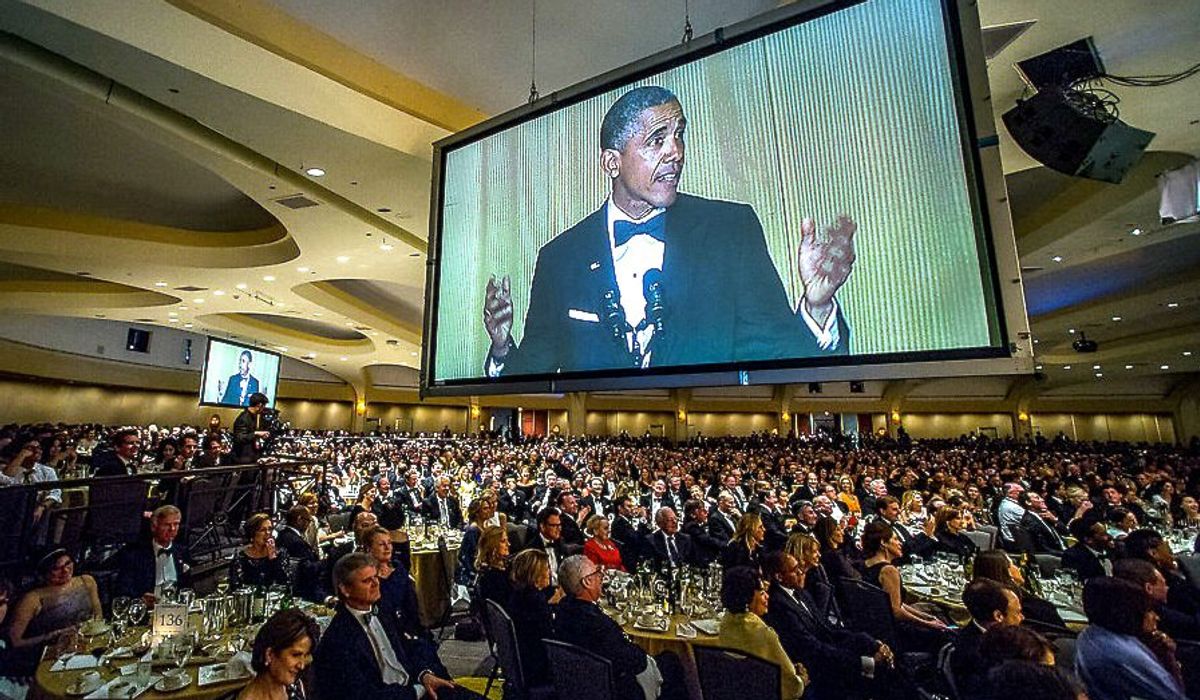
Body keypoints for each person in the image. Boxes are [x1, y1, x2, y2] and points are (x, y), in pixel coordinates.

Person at [480, 85, 855, 376]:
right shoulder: (560, 257)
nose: (675, 152)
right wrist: (500, 346)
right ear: (612, 162)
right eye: (657, 140)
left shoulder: (730, 229)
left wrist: (817, 305)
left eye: (679, 135)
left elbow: (781, 357)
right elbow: (534, 370)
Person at [314, 553, 481, 700]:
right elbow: (364, 694)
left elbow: (407, 648)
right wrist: (418, 690)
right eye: (366, 581)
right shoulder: (338, 639)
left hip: (416, 682)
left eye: (375, 577)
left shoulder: (383, 611)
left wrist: (424, 675)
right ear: (345, 590)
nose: (375, 584)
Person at [552, 555, 686, 700]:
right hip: (613, 688)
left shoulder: (562, 610)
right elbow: (634, 661)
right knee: (671, 660)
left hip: (579, 686)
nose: (601, 576)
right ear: (587, 582)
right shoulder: (597, 624)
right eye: (597, 573)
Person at [760, 551, 890, 700]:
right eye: (795, 570)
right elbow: (811, 648)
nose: (801, 572)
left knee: (876, 651)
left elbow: (827, 628)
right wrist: (864, 662)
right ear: (779, 576)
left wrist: (873, 644)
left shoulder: (801, 593)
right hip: (816, 666)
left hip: (827, 649)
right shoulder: (778, 605)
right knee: (882, 674)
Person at [1075, 576, 1186, 700]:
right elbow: (1175, 697)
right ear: (1129, 613)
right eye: (1148, 610)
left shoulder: (1089, 634)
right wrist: (1169, 658)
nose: (1156, 617)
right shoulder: (1127, 656)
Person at [717, 566, 807, 700]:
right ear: (748, 597)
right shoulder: (763, 634)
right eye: (762, 592)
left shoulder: (725, 623)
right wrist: (802, 679)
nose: (767, 596)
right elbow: (792, 687)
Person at [859, 520, 949, 652]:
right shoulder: (888, 570)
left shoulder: (866, 564)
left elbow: (894, 602)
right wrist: (928, 624)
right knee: (943, 635)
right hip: (894, 632)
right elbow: (896, 611)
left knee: (933, 613)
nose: (900, 543)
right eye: (895, 539)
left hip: (876, 626)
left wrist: (924, 616)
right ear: (883, 543)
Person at [7, 549, 102, 649]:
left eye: (67, 563)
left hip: (89, 643)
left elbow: (98, 616)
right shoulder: (32, 599)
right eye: (56, 568)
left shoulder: (86, 581)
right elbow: (14, 641)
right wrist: (52, 636)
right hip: (54, 651)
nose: (65, 570)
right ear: (44, 573)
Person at [950, 579, 1025, 697]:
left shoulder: (972, 633)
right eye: (1017, 612)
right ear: (998, 616)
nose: (1022, 617)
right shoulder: (979, 656)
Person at [504, 550, 560, 689]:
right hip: (537, 666)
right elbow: (548, 636)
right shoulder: (535, 601)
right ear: (535, 574)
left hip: (521, 659)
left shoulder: (519, 595)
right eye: (546, 568)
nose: (549, 572)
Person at [237, 608, 321, 700]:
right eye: (295, 655)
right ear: (269, 654)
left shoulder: (295, 686)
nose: (301, 665)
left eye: (305, 656)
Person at [113, 505, 190, 602]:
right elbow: (122, 591)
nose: (172, 529)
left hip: (176, 610)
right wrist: (141, 600)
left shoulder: (182, 552)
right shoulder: (135, 555)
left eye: (176, 524)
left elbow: (188, 588)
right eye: (167, 525)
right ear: (154, 527)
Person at [973, 550, 1066, 629]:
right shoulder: (1039, 608)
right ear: (1008, 572)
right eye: (1013, 564)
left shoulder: (978, 606)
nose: (1017, 568)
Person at [361, 527, 424, 638]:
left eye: (389, 543)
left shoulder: (398, 568)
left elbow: (411, 605)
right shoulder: (366, 577)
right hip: (380, 631)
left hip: (406, 627)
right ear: (368, 548)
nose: (387, 548)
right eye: (381, 544)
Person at [229, 513, 291, 589]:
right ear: (253, 534)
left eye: (270, 529)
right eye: (263, 530)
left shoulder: (280, 554)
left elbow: (285, 583)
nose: (268, 533)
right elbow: (235, 586)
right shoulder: (240, 558)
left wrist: (273, 557)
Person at [276, 505, 323, 602]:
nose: (308, 525)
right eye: (308, 521)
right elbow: (306, 567)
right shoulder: (296, 541)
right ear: (299, 519)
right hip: (301, 590)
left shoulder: (282, 535)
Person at [472, 526, 511, 608]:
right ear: (492, 545)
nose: (508, 544)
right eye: (503, 541)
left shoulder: (503, 568)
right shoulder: (491, 577)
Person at [232, 393, 271, 464]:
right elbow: (239, 437)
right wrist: (256, 433)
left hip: (252, 456)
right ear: (259, 405)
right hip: (242, 458)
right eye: (263, 406)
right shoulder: (243, 418)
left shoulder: (255, 417)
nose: (263, 409)